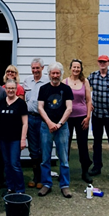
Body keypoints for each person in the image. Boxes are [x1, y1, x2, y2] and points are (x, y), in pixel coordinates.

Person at [37, 62, 74, 198]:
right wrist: (50, 123)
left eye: (57, 73)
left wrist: (59, 124)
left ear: (61, 74)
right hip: (46, 127)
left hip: (62, 128)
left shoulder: (67, 89)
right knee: (45, 158)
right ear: (49, 74)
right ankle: (46, 184)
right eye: (53, 73)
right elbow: (40, 107)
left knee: (63, 158)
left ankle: (65, 185)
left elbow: (69, 108)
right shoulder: (43, 89)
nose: (55, 75)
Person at [87, 55, 109, 180]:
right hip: (97, 115)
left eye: (104, 62)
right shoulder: (93, 76)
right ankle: (97, 166)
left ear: (108, 63)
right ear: (98, 63)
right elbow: (84, 88)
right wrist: (88, 104)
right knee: (97, 142)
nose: (102, 64)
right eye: (100, 62)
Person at [0, 79, 28, 196]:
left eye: (13, 88)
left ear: (16, 89)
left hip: (16, 139)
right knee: (7, 164)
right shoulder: (1, 103)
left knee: (15, 164)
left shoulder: (21, 104)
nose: (10, 90)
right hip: (3, 139)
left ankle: (20, 189)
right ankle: (10, 187)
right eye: (8, 88)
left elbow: (25, 123)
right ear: (5, 89)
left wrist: (23, 139)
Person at [62, 58, 93, 184]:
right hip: (68, 118)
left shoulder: (85, 81)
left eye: (78, 67)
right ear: (70, 68)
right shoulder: (65, 82)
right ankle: (64, 172)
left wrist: (88, 116)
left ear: (81, 69)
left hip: (81, 117)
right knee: (66, 145)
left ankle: (85, 171)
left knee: (82, 145)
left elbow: (89, 100)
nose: (76, 69)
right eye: (74, 67)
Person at [22, 58, 49, 189]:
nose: (35, 70)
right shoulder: (27, 81)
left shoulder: (48, 81)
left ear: (42, 68)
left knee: (43, 148)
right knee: (33, 150)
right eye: (33, 68)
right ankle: (35, 176)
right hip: (30, 118)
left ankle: (44, 178)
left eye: (37, 68)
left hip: (43, 119)